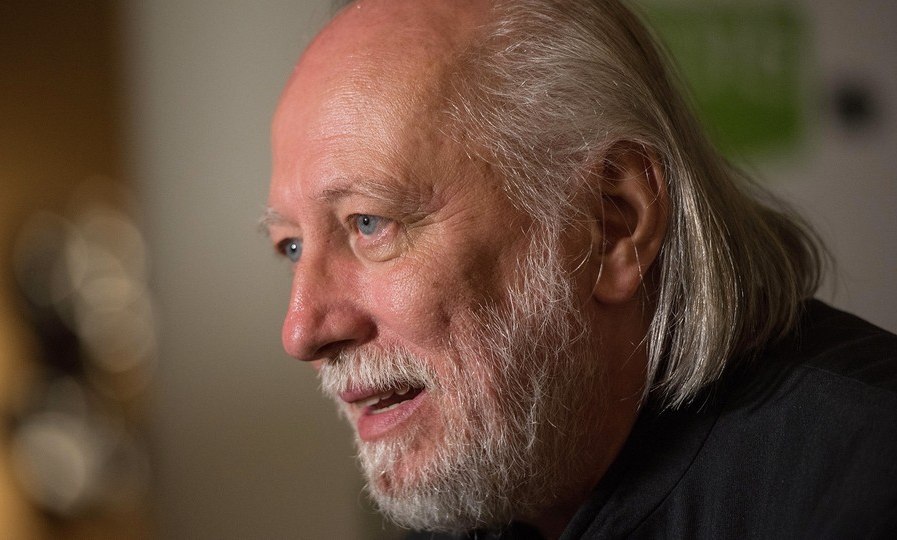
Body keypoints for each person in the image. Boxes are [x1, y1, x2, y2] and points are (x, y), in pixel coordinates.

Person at [262, 0, 897, 538]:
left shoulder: (865, 479)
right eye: (290, 246)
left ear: (612, 222)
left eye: (369, 222)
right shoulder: (470, 484)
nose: (302, 332)